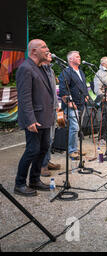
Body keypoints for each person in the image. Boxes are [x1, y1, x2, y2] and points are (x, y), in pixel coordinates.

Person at [14, 39, 55, 196]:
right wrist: (30, 119)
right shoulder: (25, 68)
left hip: (45, 117)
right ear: (34, 51)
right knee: (32, 150)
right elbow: (24, 98)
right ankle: (19, 183)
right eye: (43, 47)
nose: (47, 49)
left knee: (44, 148)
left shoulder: (41, 68)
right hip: (34, 119)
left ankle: (34, 180)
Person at [58, 51, 90, 160]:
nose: (80, 58)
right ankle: (72, 150)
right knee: (74, 127)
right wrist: (69, 102)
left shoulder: (80, 72)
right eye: (77, 56)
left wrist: (86, 95)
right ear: (70, 59)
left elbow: (83, 86)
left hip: (82, 103)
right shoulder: (65, 72)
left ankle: (76, 148)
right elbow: (63, 89)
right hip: (72, 105)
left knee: (78, 128)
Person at [41, 52, 61, 177]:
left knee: (51, 138)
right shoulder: (38, 70)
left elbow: (53, 90)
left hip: (53, 108)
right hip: (43, 110)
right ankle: (41, 166)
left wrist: (57, 104)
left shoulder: (51, 71)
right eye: (47, 53)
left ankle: (47, 161)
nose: (50, 54)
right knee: (45, 139)